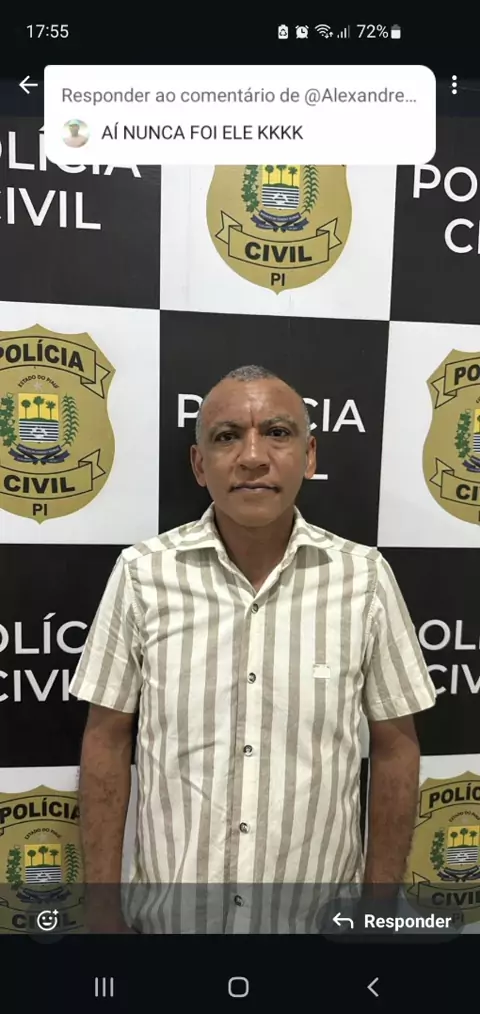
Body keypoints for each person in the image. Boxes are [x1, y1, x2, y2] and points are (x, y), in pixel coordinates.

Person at [70, 363, 436, 934]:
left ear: (309, 456)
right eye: (227, 437)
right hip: (173, 929)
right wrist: (100, 910)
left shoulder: (364, 578)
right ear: (199, 465)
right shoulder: (142, 575)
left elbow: (394, 748)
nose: (253, 456)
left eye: (277, 433)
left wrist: (379, 907)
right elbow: (106, 739)